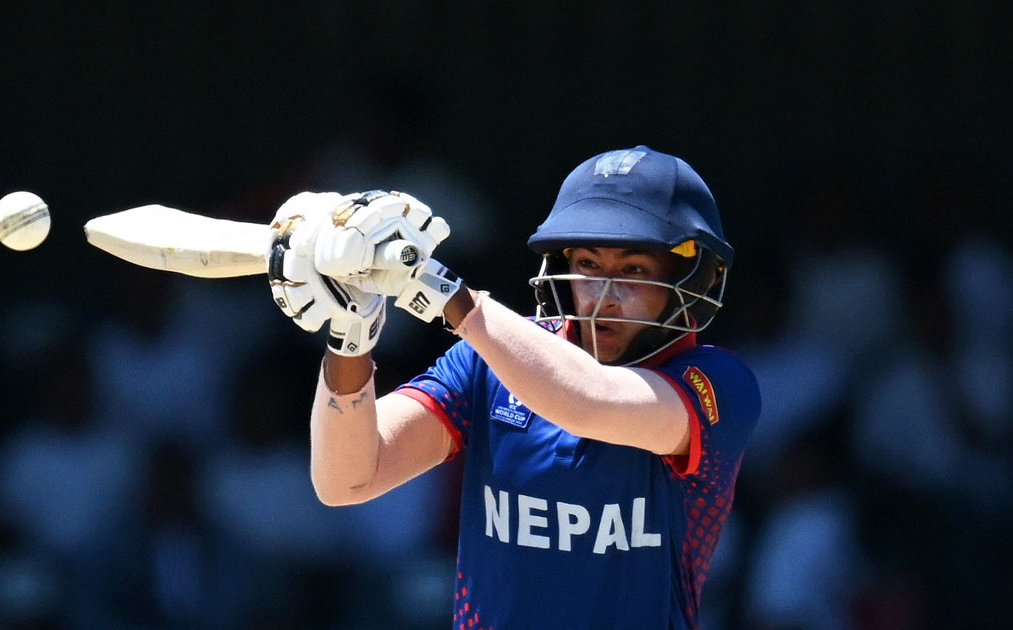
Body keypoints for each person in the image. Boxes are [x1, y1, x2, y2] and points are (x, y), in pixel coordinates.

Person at [266, 146, 760, 629]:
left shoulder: (716, 383)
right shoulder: (489, 360)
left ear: (693, 278)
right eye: (588, 264)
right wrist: (351, 336)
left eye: (634, 270)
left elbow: (587, 401)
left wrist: (441, 288)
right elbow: (347, 479)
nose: (604, 297)